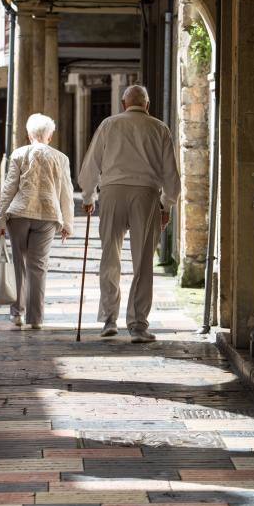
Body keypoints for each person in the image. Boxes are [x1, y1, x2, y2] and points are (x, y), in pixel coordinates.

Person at [79, 85, 180, 343]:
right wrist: (166, 206)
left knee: (109, 257)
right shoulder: (160, 128)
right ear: (147, 104)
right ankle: (137, 326)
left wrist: (89, 196)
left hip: (112, 192)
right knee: (143, 262)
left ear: (124, 104)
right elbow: (171, 173)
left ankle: (109, 320)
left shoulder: (109, 124)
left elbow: (91, 164)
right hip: (145, 194)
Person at [0, 113, 74, 329]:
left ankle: (17, 315)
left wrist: (0, 220)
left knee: (19, 264)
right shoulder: (61, 158)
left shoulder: (19, 154)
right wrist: (67, 223)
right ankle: (36, 319)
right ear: (49, 136)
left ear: (29, 134)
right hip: (48, 215)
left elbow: (9, 188)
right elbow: (66, 193)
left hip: (20, 214)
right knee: (38, 267)